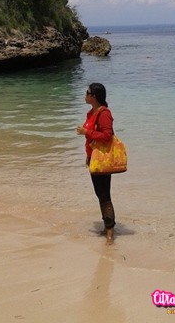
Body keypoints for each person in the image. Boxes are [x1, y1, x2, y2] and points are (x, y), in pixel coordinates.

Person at [76, 82, 116, 244]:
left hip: (103, 159)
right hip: (94, 157)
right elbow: (92, 139)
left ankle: (110, 232)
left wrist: (87, 132)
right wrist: (88, 155)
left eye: (87, 92)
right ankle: (107, 227)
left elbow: (107, 136)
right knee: (100, 194)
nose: (84, 95)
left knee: (104, 194)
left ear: (94, 96)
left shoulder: (104, 113)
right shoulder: (91, 113)